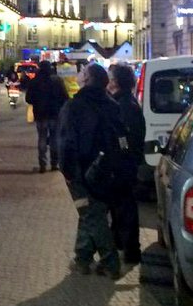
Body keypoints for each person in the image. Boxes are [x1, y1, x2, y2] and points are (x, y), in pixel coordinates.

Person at [57, 63, 122, 279]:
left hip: (81, 171)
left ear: (86, 79)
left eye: (82, 72)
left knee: (91, 214)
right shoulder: (112, 105)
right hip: (106, 169)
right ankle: (82, 258)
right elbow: (121, 138)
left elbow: (66, 143)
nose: (78, 74)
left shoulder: (74, 106)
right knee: (92, 211)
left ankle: (110, 261)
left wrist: (67, 172)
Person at [107, 64, 144, 264]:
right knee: (119, 208)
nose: (109, 81)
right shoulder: (124, 102)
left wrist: (120, 155)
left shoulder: (125, 105)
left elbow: (124, 137)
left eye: (111, 78)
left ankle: (130, 250)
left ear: (118, 82)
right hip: (124, 163)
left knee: (125, 208)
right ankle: (120, 245)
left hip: (123, 165)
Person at [26, 61, 69, 173]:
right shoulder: (57, 81)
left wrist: (36, 102)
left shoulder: (35, 81)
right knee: (54, 138)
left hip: (40, 114)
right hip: (54, 114)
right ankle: (54, 163)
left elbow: (28, 98)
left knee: (42, 138)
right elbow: (65, 97)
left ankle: (42, 164)